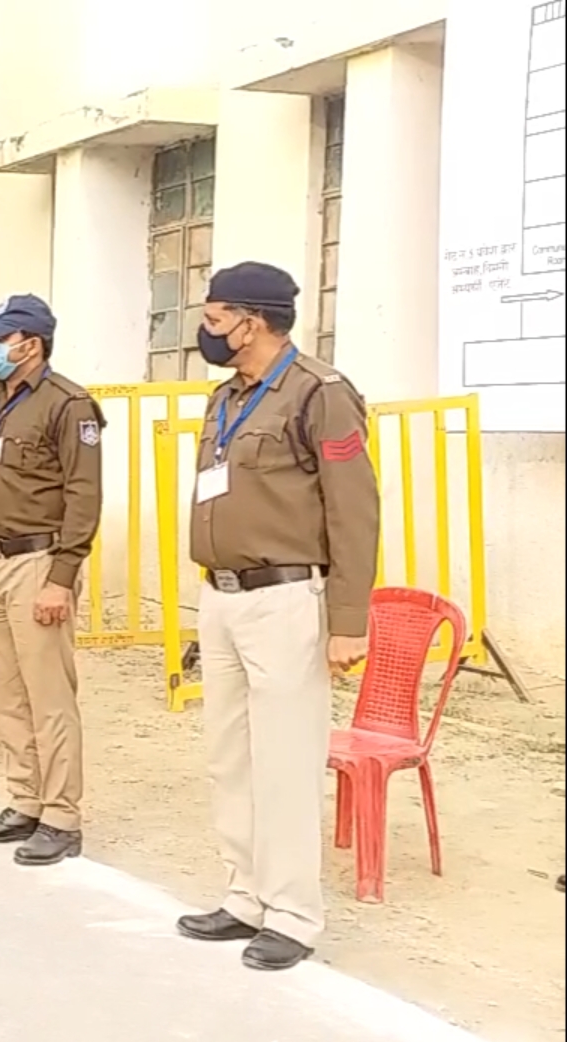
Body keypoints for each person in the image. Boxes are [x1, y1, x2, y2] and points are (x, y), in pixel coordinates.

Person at [173, 261, 379, 972]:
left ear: (251, 322)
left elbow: (354, 511)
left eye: (213, 316)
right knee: (229, 754)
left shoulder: (320, 394)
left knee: (286, 759)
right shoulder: (227, 397)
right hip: (223, 597)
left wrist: (349, 619)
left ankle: (293, 913)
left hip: (288, 598)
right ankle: (245, 895)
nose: (205, 329)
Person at [0, 295, 105, 867]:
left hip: (38, 563)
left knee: (49, 694)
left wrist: (61, 577)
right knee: (9, 692)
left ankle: (62, 815)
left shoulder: (69, 405)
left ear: (30, 344)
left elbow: (82, 494)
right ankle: (26, 799)